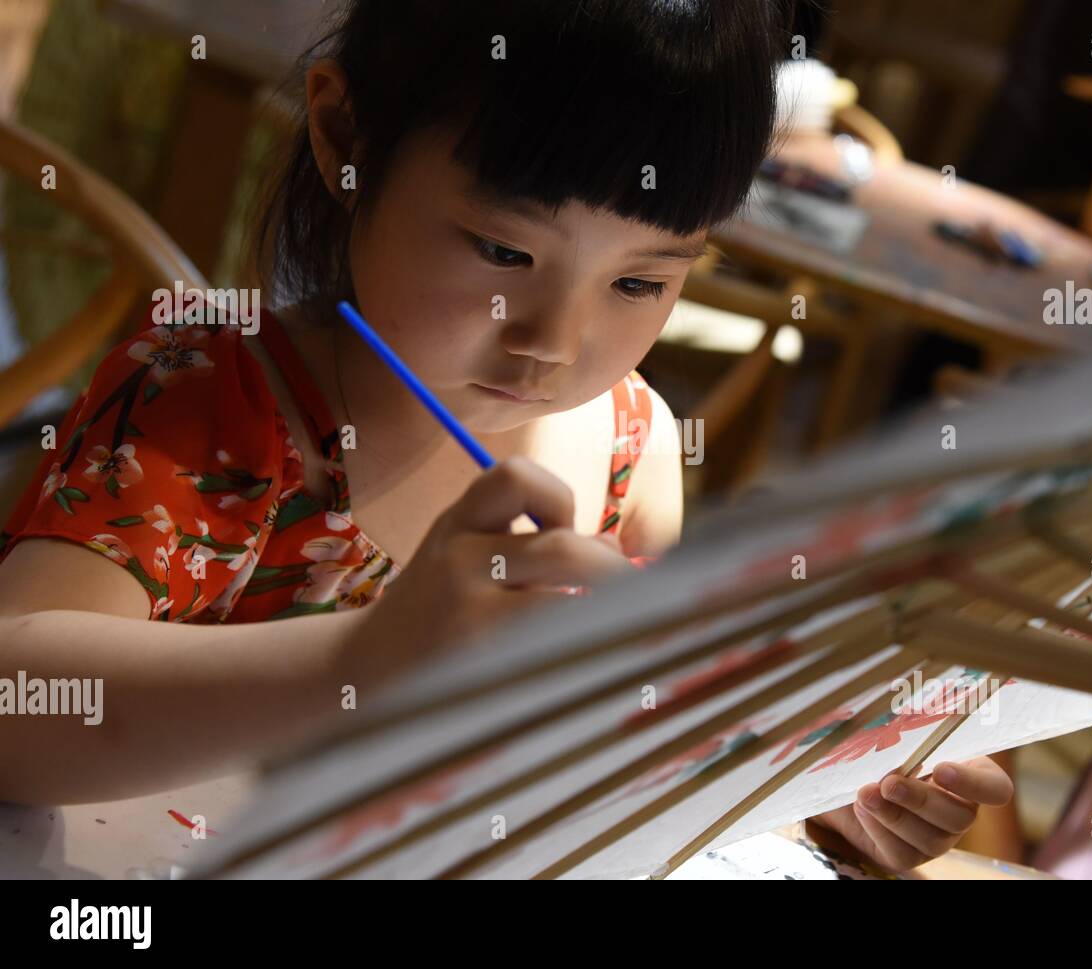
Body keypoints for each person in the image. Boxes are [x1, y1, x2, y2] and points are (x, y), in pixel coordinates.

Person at [0, 0, 1008, 874]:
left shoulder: (629, 455)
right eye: (502, 250)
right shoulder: (212, 412)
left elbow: (615, 737)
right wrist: (361, 662)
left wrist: (802, 783)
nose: (552, 344)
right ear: (345, 137)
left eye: (641, 281)